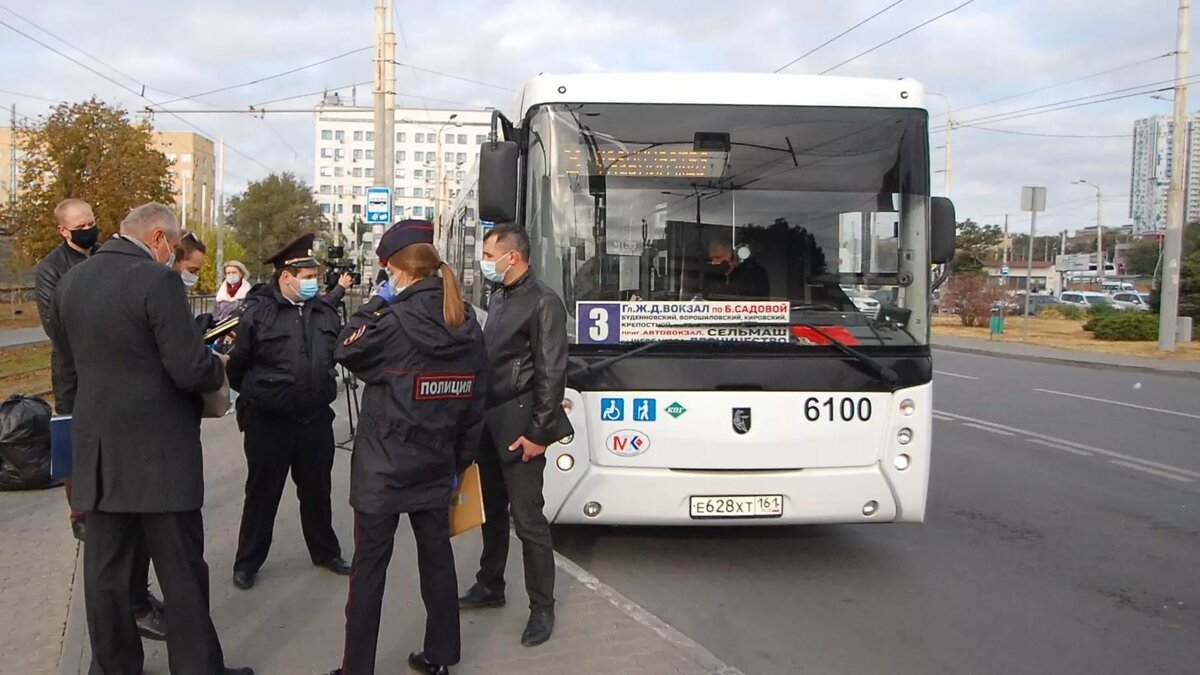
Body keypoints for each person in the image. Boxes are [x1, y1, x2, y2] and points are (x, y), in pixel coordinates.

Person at [48, 203, 251, 675]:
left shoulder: (71, 281)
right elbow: (185, 366)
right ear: (158, 238)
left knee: (106, 576)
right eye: (175, 245)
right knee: (181, 571)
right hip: (161, 456)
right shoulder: (156, 281)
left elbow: (65, 370)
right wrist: (216, 366)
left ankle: (113, 668)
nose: (174, 255)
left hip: (98, 455)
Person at [327, 220, 487, 675]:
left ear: (398, 272)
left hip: (383, 467)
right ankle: (440, 657)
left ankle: (356, 668)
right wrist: (459, 461)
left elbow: (344, 347)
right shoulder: (466, 319)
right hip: (437, 463)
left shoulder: (391, 320)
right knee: (438, 563)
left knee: (369, 571)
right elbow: (476, 399)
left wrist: (375, 301)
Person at [33, 198, 168, 642]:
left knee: (131, 517)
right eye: (81, 226)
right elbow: (62, 330)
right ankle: (123, 611)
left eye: (94, 222)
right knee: (103, 518)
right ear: (62, 231)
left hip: (118, 397)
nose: (90, 229)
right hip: (80, 391)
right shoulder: (54, 270)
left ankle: (137, 600)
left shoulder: (110, 257)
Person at [458, 223, 568, 647]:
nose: (485, 262)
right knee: (491, 513)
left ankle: (542, 607)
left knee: (529, 523)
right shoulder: (500, 296)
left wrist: (539, 433)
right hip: (489, 423)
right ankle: (491, 584)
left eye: (489, 254)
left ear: (512, 257)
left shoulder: (543, 303)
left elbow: (552, 374)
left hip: (521, 429)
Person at [225, 233, 352, 590]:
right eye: (306, 276)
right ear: (286, 277)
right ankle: (247, 562)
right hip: (269, 422)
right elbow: (238, 366)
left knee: (317, 492)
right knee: (263, 494)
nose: (312, 282)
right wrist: (262, 396)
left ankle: (325, 552)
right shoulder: (258, 313)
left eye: (314, 276)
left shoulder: (324, 312)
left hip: (314, 420)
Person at [706, 239, 770, 298]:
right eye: (712, 259)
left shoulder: (754, 276)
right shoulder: (710, 278)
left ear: (731, 257)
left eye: (718, 258)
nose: (714, 262)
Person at [213, 261, 250, 325]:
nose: (231, 275)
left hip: (241, 328)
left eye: (234, 272)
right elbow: (215, 315)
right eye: (228, 273)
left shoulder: (248, 292)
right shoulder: (221, 293)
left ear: (241, 273)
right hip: (222, 328)